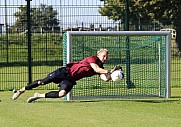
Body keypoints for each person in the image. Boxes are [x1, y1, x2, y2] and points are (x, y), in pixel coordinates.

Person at [12, 49, 121, 103]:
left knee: (62, 94)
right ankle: (22, 90)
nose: (105, 58)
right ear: (98, 55)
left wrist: (113, 76)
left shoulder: (101, 66)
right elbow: (97, 69)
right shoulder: (93, 59)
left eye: (106, 57)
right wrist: (110, 71)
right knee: (42, 82)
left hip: (71, 79)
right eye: (104, 56)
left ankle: (38, 96)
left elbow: (104, 78)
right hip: (64, 72)